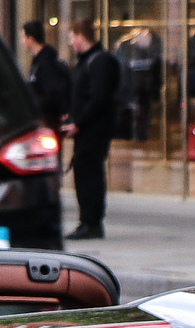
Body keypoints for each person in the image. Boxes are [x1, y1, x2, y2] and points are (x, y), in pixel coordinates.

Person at [63, 21, 120, 240]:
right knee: (83, 172)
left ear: (79, 36)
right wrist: (71, 117)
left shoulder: (99, 61)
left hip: (94, 129)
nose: (70, 43)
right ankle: (87, 220)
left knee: (89, 173)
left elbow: (98, 98)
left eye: (71, 37)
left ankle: (92, 222)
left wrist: (80, 121)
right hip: (86, 127)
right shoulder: (87, 62)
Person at [22, 21, 67, 131]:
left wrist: (33, 105)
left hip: (48, 122)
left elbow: (51, 93)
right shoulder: (37, 62)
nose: (22, 41)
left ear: (31, 38)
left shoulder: (46, 63)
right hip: (41, 120)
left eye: (23, 37)